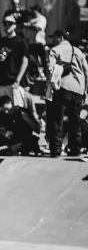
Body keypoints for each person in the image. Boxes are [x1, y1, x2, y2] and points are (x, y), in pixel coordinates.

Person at [46, 30, 88, 158]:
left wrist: (49, 86)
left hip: (62, 88)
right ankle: (75, 150)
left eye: (54, 38)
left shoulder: (55, 50)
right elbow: (86, 71)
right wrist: (85, 90)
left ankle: (56, 150)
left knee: (56, 120)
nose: (53, 40)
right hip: (78, 89)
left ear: (60, 37)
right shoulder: (78, 51)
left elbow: (50, 69)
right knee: (75, 121)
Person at [0, 14, 29, 104]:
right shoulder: (0, 42)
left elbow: (25, 62)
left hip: (14, 82)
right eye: (5, 23)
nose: (7, 25)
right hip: (1, 82)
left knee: (16, 110)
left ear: (15, 25)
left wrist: (18, 80)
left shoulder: (21, 42)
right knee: (2, 111)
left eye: (10, 23)